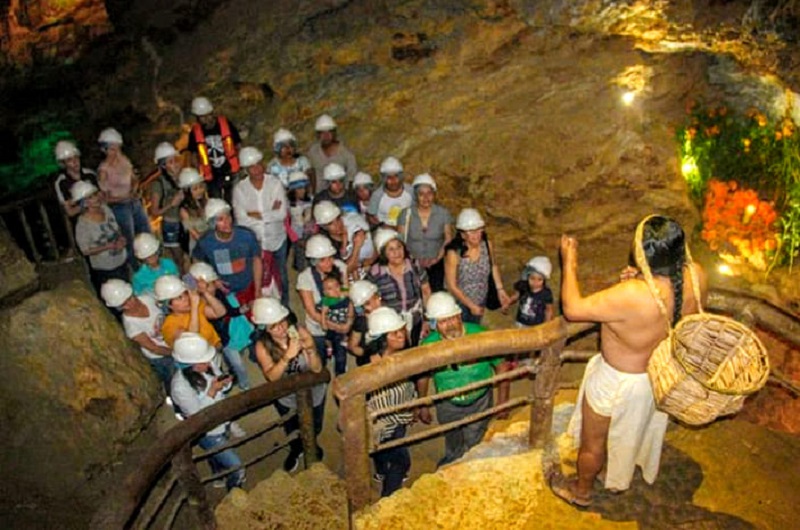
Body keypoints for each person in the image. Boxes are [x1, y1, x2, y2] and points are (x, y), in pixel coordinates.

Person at [550, 216, 707, 508]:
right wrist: (638, 279)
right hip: (654, 376)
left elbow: (573, 308)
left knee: (593, 442)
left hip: (616, 379)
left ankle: (581, 490)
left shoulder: (632, 295)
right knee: (631, 429)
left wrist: (569, 261)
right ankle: (612, 471)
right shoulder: (695, 276)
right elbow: (666, 306)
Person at [417, 292, 503, 467]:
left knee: (474, 437)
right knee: (451, 434)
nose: (449, 326)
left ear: (459, 315)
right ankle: (454, 457)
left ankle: (472, 463)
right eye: (442, 321)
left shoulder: (480, 335)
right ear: (434, 325)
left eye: (452, 319)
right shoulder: (428, 346)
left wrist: (502, 402)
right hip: (447, 402)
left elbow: (501, 366)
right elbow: (423, 376)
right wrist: (422, 404)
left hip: (479, 399)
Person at [251, 298, 325, 472]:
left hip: (313, 390)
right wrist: (287, 357)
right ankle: (296, 449)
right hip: (286, 395)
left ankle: (312, 446)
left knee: (316, 424)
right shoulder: (262, 346)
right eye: (274, 326)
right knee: (292, 427)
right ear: (265, 329)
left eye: (282, 322)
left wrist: (311, 350)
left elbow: (317, 368)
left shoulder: (300, 332)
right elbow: (272, 377)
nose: (281, 329)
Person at [170, 333, 246, 490]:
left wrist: (224, 384)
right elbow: (197, 416)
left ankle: (218, 474)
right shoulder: (180, 387)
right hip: (208, 432)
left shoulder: (207, 365)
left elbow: (220, 384)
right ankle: (234, 490)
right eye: (203, 361)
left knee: (215, 454)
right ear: (191, 364)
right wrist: (212, 391)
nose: (209, 362)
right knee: (237, 467)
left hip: (222, 420)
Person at [364, 307, 418, 497]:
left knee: (380, 448)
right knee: (401, 461)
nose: (401, 334)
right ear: (381, 339)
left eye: (401, 329)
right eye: (394, 332)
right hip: (385, 420)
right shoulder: (371, 366)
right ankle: (387, 497)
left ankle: (380, 471)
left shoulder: (400, 355)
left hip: (396, 414)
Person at [232, 147, 290, 307]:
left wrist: (257, 215)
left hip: (277, 239)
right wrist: (269, 213)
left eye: (258, 164)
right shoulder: (240, 190)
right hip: (255, 242)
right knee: (259, 278)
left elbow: (282, 213)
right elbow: (242, 220)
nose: (257, 169)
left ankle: (285, 307)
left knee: (282, 276)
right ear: (246, 170)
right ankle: (263, 307)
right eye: (252, 167)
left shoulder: (275, 183)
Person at [188, 262, 253, 391]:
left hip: (225, 339)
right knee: (224, 365)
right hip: (212, 343)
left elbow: (228, 311)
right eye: (209, 284)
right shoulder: (196, 307)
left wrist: (244, 308)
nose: (213, 287)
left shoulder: (217, 294)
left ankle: (244, 385)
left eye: (212, 283)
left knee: (237, 364)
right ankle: (231, 382)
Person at [100, 279, 173, 394]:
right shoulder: (132, 326)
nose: (131, 303)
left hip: (172, 341)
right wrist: (174, 353)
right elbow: (154, 348)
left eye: (130, 298)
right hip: (161, 358)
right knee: (172, 381)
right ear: (119, 307)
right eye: (124, 304)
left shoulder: (147, 298)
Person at [193, 198, 262, 312]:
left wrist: (258, 290)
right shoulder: (206, 242)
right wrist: (212, 279)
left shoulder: (246, 236)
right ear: (212, 223)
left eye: (228, 217)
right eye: (220, 219)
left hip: (249, 287)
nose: (227, 222)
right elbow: (196, 262)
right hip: (225, 293)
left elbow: (256, 260)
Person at [96, 127, 151, 269]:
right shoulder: (104, 170)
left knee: (146, 231)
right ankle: (137, 268)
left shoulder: (124, 161)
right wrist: (123, 197)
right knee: (129, 238)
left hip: (133, 202)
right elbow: (104, 198)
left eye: (117, 148)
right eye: (112, 149)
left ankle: (153, 262)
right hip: (119, 207)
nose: (115, 152)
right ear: (105, 149)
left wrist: (134, 190)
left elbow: (134, 178)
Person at [444, 208, 511, 324]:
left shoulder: (487, 245)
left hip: (480, 297)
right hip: (460, 303)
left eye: (478, 230)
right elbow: (452, 286)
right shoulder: (454, 253)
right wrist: (471, 306)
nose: (476, 235)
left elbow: (493, 266)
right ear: (463, 234)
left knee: (474, 326)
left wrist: (500, 290)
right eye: (471, 231)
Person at [367, 228, 431, 346]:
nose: (397, 252)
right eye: (391, 249)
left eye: (399, 247)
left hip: (415, 319)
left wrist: (427, 320)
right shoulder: (376, 272)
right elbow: (369, 300)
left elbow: (426, 291)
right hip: (390, 325)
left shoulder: (414, 265)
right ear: (383, 253)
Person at [296, 234, 349, 365]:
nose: (329, 262)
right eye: (323, 260)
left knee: (341, 355)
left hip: (340, 319)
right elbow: (312, 311)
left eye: (330, 257)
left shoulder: (340, 267)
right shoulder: (305, 278)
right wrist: (335, 326)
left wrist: (346, 322)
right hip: (318, 327)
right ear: (314, 261)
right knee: (320, 357)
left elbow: (346, 291)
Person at [397, 173, 454, 292]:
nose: (426, 198)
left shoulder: (443, 214)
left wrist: (436, 259)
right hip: (411, 264)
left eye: (429, 193)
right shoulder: (405, 214)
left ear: (434, 194)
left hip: (436, 265)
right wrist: (414, 260)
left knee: (436, 294)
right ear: (416, 196)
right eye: (421, 194)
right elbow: (400, 241)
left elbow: (448, 239)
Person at [72, 181, 129, 296]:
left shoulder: (105, 209)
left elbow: (116, 228)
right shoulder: (83, 224)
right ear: (84, 203)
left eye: (95, 194)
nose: (96, 198)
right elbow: (85, 250)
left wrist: (122, 239)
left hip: (121, 259)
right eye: (90, 197)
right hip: (105, 267)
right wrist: (107, 246)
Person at [187, 96, 241, 201]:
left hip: (230, 170)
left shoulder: (225, 124)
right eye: (203, 117)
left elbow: (238, 144)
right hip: (211, 176)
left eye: (208, 115)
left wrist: (239, 163)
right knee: (217, 203)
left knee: (235, 201)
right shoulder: (195, 132)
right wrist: (198, 174)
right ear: (198, 117)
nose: (207, 118)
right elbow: (193, 155)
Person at [155, 274, 226, 348]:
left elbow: (220, 312)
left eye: (185, 293)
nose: (186, 298)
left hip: (215, 349)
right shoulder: (169, 324)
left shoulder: (193, 307)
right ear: (169, 305)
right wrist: (194, 307)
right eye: (179, 297)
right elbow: (191, 338)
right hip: (200, 357)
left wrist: (205, 292)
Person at [313, 200, 374, 277]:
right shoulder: (324, 244)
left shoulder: (353, 223)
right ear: (324, 227)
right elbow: (344, 272)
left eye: (338, 219)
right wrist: (357, 247)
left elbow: (374, 252)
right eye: (330, 223)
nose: (337, 225)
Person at [148, 142, 185, 268]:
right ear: (163, 166)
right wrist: (171, 204)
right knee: (179, 260)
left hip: (185, 222)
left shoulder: (183, 177)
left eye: (176, 160)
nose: (175, 164)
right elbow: (154, 212)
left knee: (190, 255)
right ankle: (187, 285)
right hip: (172, 225)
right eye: (170, 162)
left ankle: (197, 285)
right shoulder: (158, 184)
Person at [306, 114, 357, 193]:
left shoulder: (346, 154)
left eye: (329, 132)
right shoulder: (313, 152)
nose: (326, 136)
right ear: (318, 135)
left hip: (340, 196)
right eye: (322, 133)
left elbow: (351, 179)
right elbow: (311, 175)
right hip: (320, 197)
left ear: (334, 133)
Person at [318, 270, 354, 376]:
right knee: (330, 338)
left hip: (345, 323)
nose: (335, 290)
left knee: (345, 340)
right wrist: (324, 323)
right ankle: (331, 348)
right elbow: (323, 313)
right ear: (325, 292)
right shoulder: (327, 301)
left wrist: (349, 320)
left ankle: (340, 368)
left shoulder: (345, 298)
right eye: (330, 289)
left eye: (337, 286)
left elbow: (351, 308)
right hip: (333, 326)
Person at [53, 140, 98, 219]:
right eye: (69, 160)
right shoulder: (61, 182)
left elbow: (102, 196)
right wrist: (85, 205)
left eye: (76, 157)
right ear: (63, 163)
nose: (75, 162)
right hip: (84, 222)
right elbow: (69, 212)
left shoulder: (90, 174)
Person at [366, 157, 413, 229]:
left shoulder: (410, 191)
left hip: (408, 229)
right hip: (385, 232)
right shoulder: (377, 195)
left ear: (401, 177)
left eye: (396, 176)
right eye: (389, 178)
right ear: (384, 179)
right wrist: (382, 225)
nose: (393, 181)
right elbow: (370, 216)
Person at [510, 256, 554, 328]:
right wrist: (508, 302)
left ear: (544, 280)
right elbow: (516, 296)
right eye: (532, 278)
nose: (535, 282)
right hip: (520, 323)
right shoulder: (524, 286)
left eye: (539, 279)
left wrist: (547, 325)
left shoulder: (546, 293)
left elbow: (548, 310)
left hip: (535, 326)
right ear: (527, 276)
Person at [347, 280, 383, 368]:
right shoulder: (361, 322)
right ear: (360, 308)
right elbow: (352, 346)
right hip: (369, 361)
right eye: (368, 303)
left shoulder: (384, 314)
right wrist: (367, 355)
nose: (376, 303)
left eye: (376, 298)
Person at [177, 167, 210, 257]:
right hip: (198, 245)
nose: (199, 191)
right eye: (195, 189)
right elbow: (193, 233)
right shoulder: (184, 210)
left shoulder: (206, 202)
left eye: (200, 187)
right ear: (187, 191)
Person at [287, 171, 314, 272]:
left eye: (304, 188)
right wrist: (295, 239)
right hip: (297, 237)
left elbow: (315, 218)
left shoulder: (311, 200)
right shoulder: (288, 204)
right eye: (299, 188)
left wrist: (314, 230)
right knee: (301, 262)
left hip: (310, 234)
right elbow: (286, 223)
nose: (302, 191)